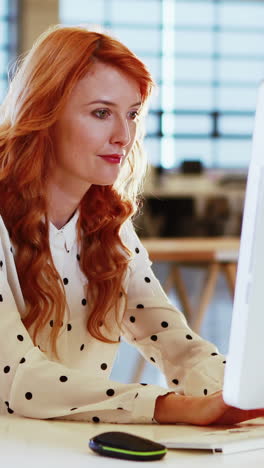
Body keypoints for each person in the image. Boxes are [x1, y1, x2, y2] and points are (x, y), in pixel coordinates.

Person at [0, 25, 263, 426]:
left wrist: (242, 396)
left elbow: (177, 346)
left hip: (66, 450)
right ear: (43, 114)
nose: (124, 135)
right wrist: (172, 407)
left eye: (133, 114)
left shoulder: (107, 226)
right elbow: (17, 378)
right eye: (101, 113)